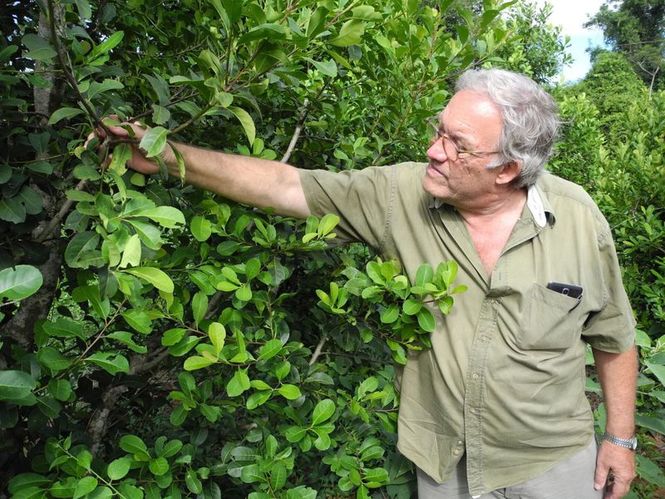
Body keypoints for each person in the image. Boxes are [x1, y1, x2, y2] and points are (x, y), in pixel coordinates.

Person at [94, 68, 638, 498]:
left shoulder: (578, 219)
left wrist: (619, 439)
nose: (434, 151)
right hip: (445, 463)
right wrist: (168, 155)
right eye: (438, 131)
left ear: (508, 170)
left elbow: (614, 337)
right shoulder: (400, 194)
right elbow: (289, 186)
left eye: (458, 146)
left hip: (553, 465)